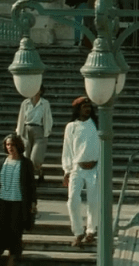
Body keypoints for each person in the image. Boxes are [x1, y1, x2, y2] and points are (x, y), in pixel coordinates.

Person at [62, 97, 100, 247]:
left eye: (89, 107)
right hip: (77, 168)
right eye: (84, 107)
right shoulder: (71, 127)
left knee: (93, 202)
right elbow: (67, 150)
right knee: (72, 200)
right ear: (78, 109)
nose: (87, 109)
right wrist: (67, 170)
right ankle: (78, 232)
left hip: (94, 168)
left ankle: (91, 231)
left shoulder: (96, 125)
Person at [0, 135, 36, 265]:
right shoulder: (2, 161)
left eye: (13, 145)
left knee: (15, 230)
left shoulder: (26, 163)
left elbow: (31, 184)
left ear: (18, 146)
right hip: (2, 201)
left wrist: (33, 203)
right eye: (8, 145)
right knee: (2, 228)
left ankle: (14, 255)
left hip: (18, 202)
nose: (10, 147)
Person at [16, 85, 52, 183]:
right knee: (26, 156)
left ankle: (38, 172)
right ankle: (30, 179)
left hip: (39, 130)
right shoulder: (25, 103)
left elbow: (48, 118)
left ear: (40, 91)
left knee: (35, 158)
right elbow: (21, 118)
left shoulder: (44, 103)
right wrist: (19, 132)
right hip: (26, 130)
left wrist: (47, 131)